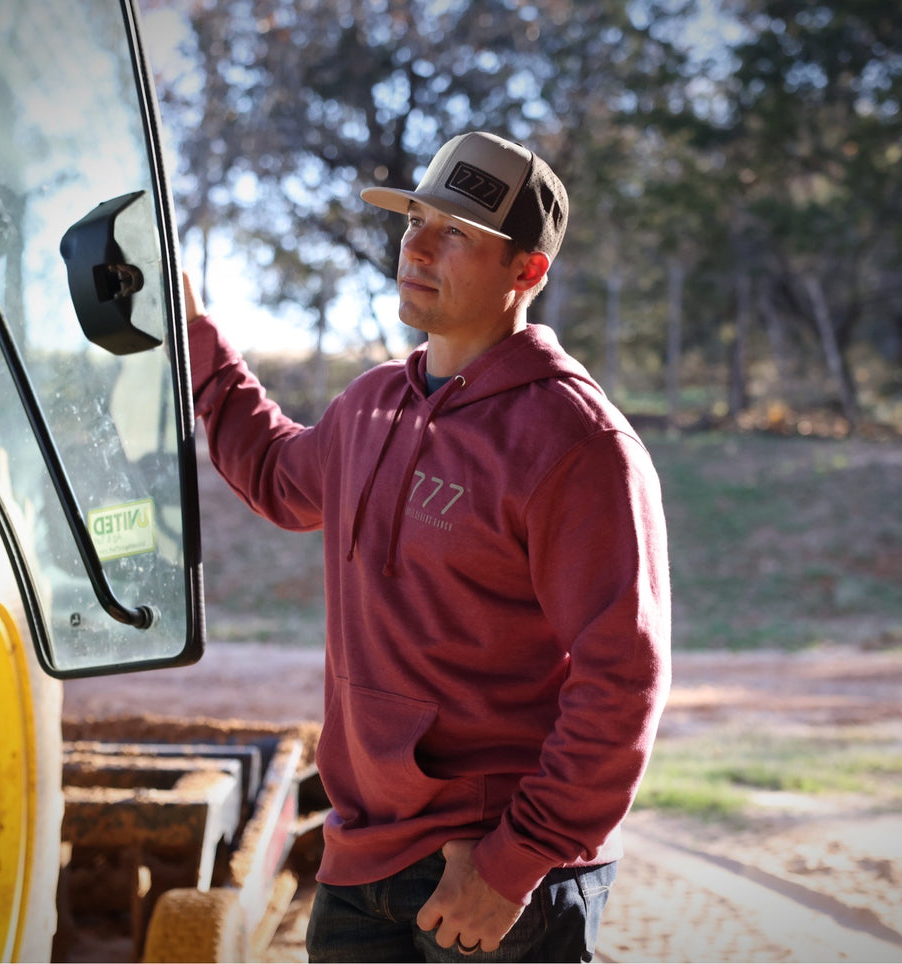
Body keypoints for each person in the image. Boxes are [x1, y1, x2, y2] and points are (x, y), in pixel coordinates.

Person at [185, 130, 671, 962]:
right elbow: (275, 474)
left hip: (492, 875)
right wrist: (194, 333)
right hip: (360, 860)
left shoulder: (575, 441)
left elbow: (622, 679)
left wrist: (510, 866)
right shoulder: (374, 402)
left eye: (454, 233)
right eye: (414, 220)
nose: (414, 245)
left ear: (527, 272)